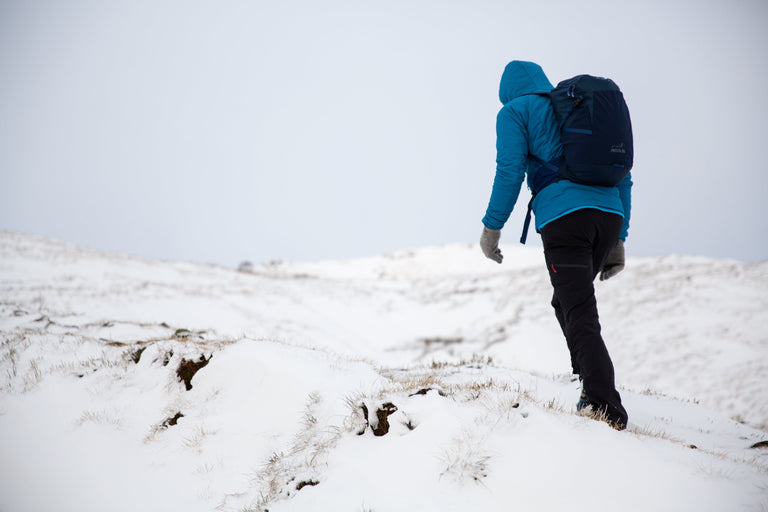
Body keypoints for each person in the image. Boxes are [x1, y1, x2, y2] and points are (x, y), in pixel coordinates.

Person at [479, 60, 632, 430]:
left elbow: (510, 170)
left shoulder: (515, 111)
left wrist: (492, 228)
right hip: (607, 216)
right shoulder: (574, 106)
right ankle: (585, 378)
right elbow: (623, 174)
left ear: (506, 91)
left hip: (565, 219)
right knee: (565, 300)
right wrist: (619, 239)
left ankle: (602, 403)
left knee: (577, 307)